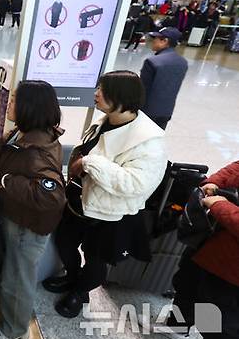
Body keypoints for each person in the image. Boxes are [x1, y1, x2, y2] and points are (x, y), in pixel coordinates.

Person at [42, 71, 167, 318]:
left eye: (103, 90)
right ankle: (73, 276)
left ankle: (81, 291)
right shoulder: (105, 120)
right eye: (98, 87)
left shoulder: (149, 141)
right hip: (79, 202)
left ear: (122, 97)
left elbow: (136, 183)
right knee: (65, 242)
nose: (96, 93)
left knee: (96, 259)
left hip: (111, 213)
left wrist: (90, 163)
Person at [0, 81, 66, 339]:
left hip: (26, 226)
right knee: (12, 274)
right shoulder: (23, 134)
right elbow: (2, 161)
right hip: (14, 217)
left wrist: (6, 180)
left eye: (15, 99)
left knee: (17, 281)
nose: (9, 102)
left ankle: (15, 331)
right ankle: (13, 320)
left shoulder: (37, 151)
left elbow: (51, 196)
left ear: (30, 108)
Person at [143, 160, 239, 339]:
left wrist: (220, 205)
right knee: (187, 284)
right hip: (211, 244)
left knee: (219, 330)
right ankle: (177, 327)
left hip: (231, 272)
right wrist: (214, 183)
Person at [140, 27, 188, 130]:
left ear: (164, 41)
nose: (153, 41)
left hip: (147, 112)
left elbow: (142, 90)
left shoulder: (152, 62)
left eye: (156, 38)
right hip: (166, 111)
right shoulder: (182, 62)